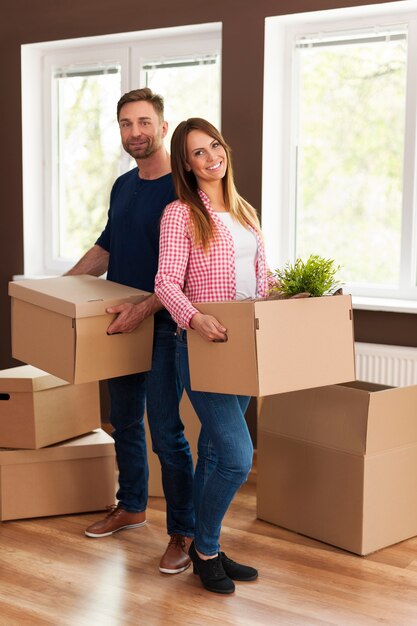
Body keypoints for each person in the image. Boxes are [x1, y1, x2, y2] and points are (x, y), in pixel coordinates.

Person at [66, 88, 194, 575]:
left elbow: (189, 269)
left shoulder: (184, 188)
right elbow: (106, 247)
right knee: (123, 420)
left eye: (144, 122)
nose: (134, 132)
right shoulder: (122, 185)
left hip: (165, 325)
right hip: (119, 320)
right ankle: (132, 505)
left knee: (166, 432)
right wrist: (60, 291)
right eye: (125, 123)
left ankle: (182, 531)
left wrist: (144, 310)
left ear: (164, 127)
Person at [155, 118, 276, 594]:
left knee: (212, 453)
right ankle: (205, 550)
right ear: (186, 164)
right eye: (198, 153)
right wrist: (194, 319)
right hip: (202, 347)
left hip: (245, 346)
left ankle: (209, 544)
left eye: (215, 146)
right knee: (238, 457)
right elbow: (166, 282)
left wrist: (291, 296)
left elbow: (259, 280)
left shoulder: (246, 212)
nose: (211, 157)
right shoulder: (179, 214)